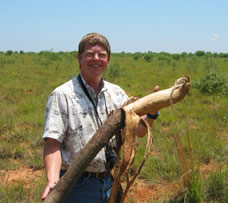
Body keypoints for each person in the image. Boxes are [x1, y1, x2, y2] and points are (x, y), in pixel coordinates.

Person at [41, 32, 160, 202]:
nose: (96, 59)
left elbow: (138, 131)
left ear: (108, 60)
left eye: (101, 55)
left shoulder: (117, 94)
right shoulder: (62, 95)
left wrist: (152, 111)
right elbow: (53, 143)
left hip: (110, 182)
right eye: (90, 54)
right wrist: (53, 180)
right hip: (76, 186)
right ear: (80, 58)